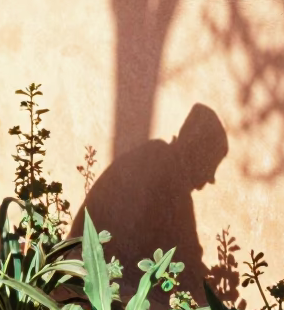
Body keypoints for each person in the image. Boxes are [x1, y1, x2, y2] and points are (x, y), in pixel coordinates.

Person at [69, 103, 229, 296]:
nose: (210, 178)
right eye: (209, 165)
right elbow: (187, 262)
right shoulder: (170, 178)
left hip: (82, 265)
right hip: (98, 280)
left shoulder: (156, 157)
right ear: (193, 153)